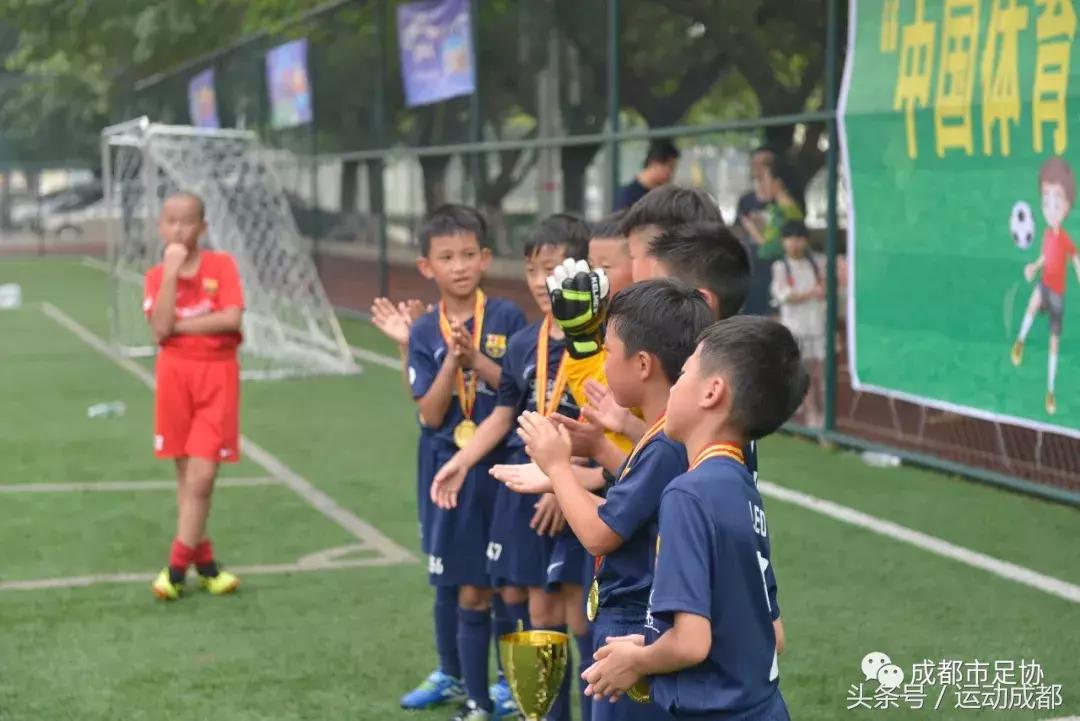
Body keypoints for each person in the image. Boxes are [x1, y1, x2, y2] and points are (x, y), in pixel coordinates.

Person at [583, 316, 807, 721]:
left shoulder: (688, 493)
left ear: (711, 392)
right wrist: (648, 641)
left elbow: (690, 644)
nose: (674, 386)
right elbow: (773, 634)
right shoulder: (742, 487)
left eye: (683, 373)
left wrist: (636, 662)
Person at [517, 279, 714, 721]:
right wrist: (560, 479)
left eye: (607, 352)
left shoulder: (664, 444)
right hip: (641, 618)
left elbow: (600, 535)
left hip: (636, 623)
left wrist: (559, 468)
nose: (603, 366)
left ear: (642, 364)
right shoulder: (660, 436)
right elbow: (618, 512)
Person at [431, 213, 591, 721]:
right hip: (526, 488)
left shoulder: (600, 340)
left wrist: (561, 484)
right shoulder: (526, 343)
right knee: (536, 614)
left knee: (583, 620)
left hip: (576, 493)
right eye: (533, 271)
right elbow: (504, 414)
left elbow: (607, 427)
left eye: (555, 269)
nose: (543, 283)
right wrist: (461, 460)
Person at [403, 204, 528, 721]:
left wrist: (477, 360)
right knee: (461, 580)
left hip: (498, 463)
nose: (459, 266)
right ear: (426, 267)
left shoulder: (506, 318)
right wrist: (451, 363)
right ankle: (466, 686)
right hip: (444, 464)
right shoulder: (423, 332)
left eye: (468, 255)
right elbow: (430, 415)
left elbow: (519, 391)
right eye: (446, 257)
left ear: (485, 259)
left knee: (506, 580)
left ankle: (508, 685)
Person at [143, 191, 243, 600]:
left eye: (188, 221)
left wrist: (178, 328)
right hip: (174, 379)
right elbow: (158, 327)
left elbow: (232, 317)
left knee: (202, 477)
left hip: (217, 377)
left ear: (203, 227)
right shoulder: (155, 276)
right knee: (187, 478)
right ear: (161, 227)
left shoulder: (222, 265)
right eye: (172, 220)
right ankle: (207, 565)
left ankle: (176, 567)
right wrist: (170, 274)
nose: (180, 228)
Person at [1011, 156, 1080, 415]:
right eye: (1046, 201)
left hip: (1058, 295)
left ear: (1067, 206)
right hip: (1044, 285)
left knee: (1054, 342)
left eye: (1057, 202)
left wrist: (1078, 268)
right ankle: (1020, 341)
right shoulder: (1046, 234)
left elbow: (1073, 254)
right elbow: (1046, 256)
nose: (1050, 208)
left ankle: (1050, 391)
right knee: (1031, 304)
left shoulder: (1065, 238)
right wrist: (1034, 266)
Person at [771, 220, 826, 427]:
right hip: (796, 328)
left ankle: (820, 412)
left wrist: (819, 293)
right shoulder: (781, 266)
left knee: (820, 374)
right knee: (806, 373)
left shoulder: (816, 263)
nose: (794, 243)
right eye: (790, 239)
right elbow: (784, 295)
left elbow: (825, 290)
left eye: (799, 239)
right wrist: (811, 293)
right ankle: (813, 415)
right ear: (783, 242)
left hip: (817, 326)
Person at [740, 160, 805, 316]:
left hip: (774, 279)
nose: (763, 184)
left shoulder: (786, 211)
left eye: (766, 178)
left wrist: (752, 230)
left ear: (778, 182)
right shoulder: (776, 209)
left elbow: (772, 249)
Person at [614, 140, 681, 211]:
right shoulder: (627, 195)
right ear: (654, 163)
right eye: (670, 167)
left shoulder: (662, 193)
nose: (671, 173)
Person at [736, 145, 777, 225]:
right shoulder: (745, 200)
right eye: (754, 163)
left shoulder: (784, 200)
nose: (758, 167)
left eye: (765, 163)